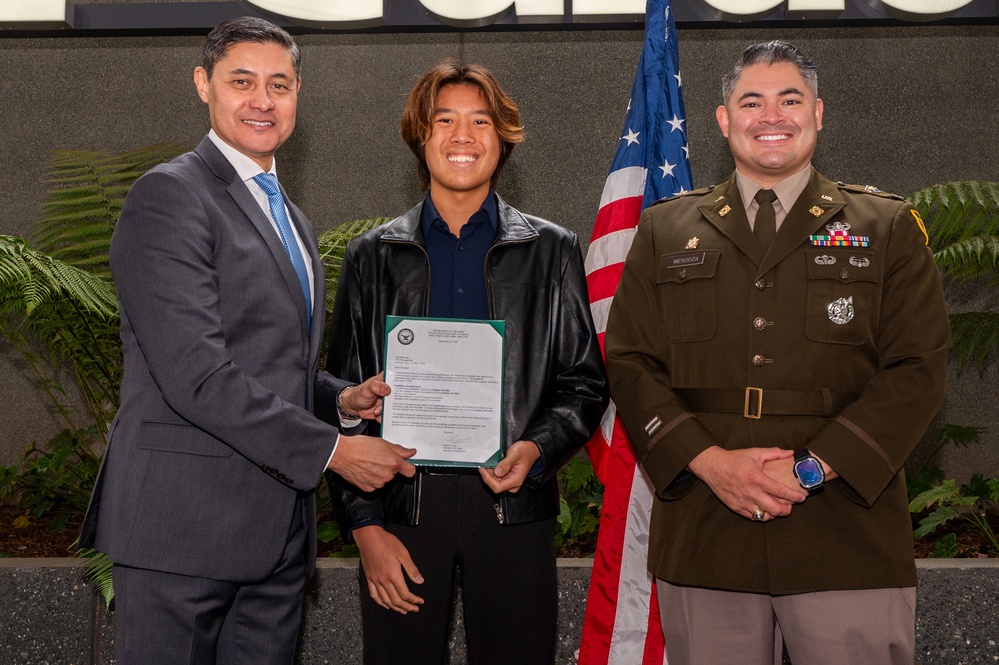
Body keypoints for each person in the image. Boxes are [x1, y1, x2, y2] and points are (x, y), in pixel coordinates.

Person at [78, 17, 416, 664]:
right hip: (181, 535)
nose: (263, 100)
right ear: (203, 84)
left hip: (276, 542)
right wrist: (334, 451)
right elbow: (195, 372)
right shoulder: (169, 197)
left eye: (279, 84)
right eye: (242, 81)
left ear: (297, 95)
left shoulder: (286, 212)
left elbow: (269, 363)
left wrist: (341, 401)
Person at [605, 40, 950, 665]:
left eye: (790, 100)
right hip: (708, 534)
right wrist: (708, 462)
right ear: (722, 119)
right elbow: (632, 364)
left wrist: (813, 468)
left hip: (846, 536)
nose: (772, 116)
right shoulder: (664, 231)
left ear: (818, 113)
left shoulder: (885, 227)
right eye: (752, 101)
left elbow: (917, 371)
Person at [324, 61, 609, 665]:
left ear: (502, 137)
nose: (462, 136)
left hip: (511, 504)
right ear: (419, 137)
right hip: (401, 504)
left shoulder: (552, 250)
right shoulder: (371, 257)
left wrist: (536, 450)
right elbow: (338, 400)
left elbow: (584, 384)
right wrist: (365, 528)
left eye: (480, 121)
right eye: (444, 120)